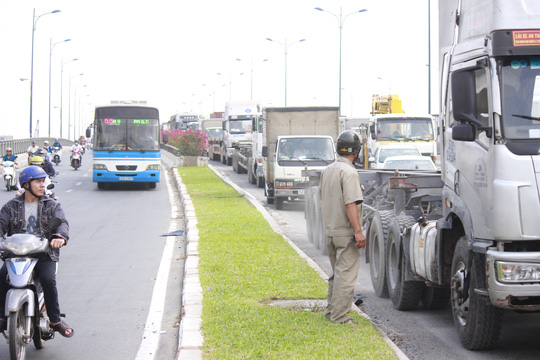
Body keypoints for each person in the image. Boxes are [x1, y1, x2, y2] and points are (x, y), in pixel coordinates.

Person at [0, 166, 74, 337]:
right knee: (2, 277)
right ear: (26, 185)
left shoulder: (52, 205)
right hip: (16, 254)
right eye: (38, 182)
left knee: (48, 279)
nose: (43, 185)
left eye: (43, 181)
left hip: (43, 254)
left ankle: (55, 320)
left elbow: (62, 222)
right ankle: (3, 317)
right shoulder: (11, 206)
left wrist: (59, 237)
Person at [319, 130, 365, 324]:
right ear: (356, 151)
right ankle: (340, 317)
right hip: (345, 232)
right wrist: (358, 231)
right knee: (345, 275)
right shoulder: (349, 172)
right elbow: (350, 203)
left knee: (336, 273)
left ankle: (331, 311)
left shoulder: (327, 170)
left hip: (330, 231)